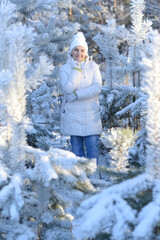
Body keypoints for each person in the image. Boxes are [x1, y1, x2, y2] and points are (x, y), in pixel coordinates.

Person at [59, 32, 102, 164]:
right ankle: (80, 178)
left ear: (86, 52)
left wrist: (77, 95)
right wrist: (76, 70)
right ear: (71, 51)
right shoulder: (65, 69)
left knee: (92, 148)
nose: (79, 53)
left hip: (90, 114)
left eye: (82, 50)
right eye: (76, 50)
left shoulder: (93, 67)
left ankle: (93, 177)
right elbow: (67, 89)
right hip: (73, 116)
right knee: (76, 151)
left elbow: (97, 88)